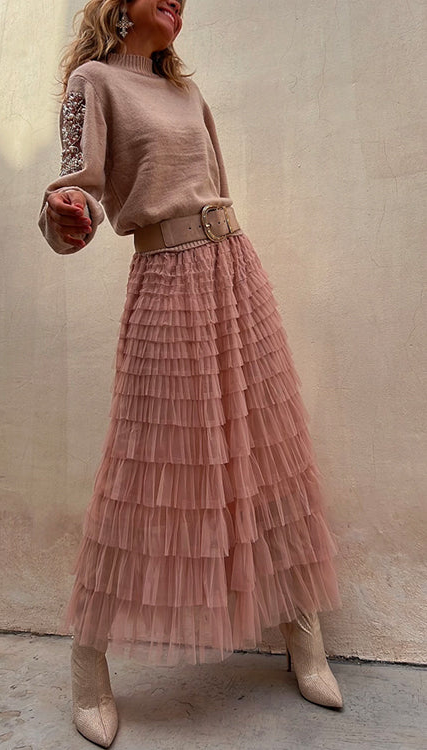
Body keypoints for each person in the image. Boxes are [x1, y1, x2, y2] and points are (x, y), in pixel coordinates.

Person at [38, 1, 344, 746]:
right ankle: (88, 660)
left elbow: (216, 184)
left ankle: (302, 631)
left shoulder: (186, 91)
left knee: (268, 451)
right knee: (142, 469)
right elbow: (76, 191)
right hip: (166, 278)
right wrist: (64, 212)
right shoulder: (92, 82)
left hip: (235, 268)